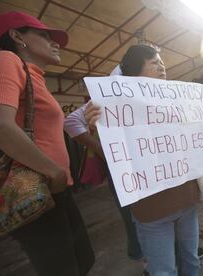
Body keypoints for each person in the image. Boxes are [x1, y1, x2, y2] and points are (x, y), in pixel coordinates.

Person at [0, 11, 94, 276]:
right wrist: (52, 171)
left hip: (57, 189)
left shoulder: (35, 77)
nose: (56, 43)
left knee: (83, 260)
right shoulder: (5, 60)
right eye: (44, 35)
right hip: (36, 189)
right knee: (63, 269)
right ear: (17, 35)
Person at [84, 44, 200, 276]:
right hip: (151, 209)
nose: (162, 67)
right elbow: (116, 152)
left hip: (187, 199)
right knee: (163, 271)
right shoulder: (112, 108)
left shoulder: (176, 101)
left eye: (162, 62)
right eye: (154, 63)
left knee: (192, 261)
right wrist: (97, 128)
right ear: (134, 72)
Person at [64, 100, 145, 270]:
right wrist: (105, 153)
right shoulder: (109, 94)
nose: (161, 71)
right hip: (124, 169)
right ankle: (146, 260)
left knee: (149, 215)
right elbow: (71, 122)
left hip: (148, 166)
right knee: (135, 215)